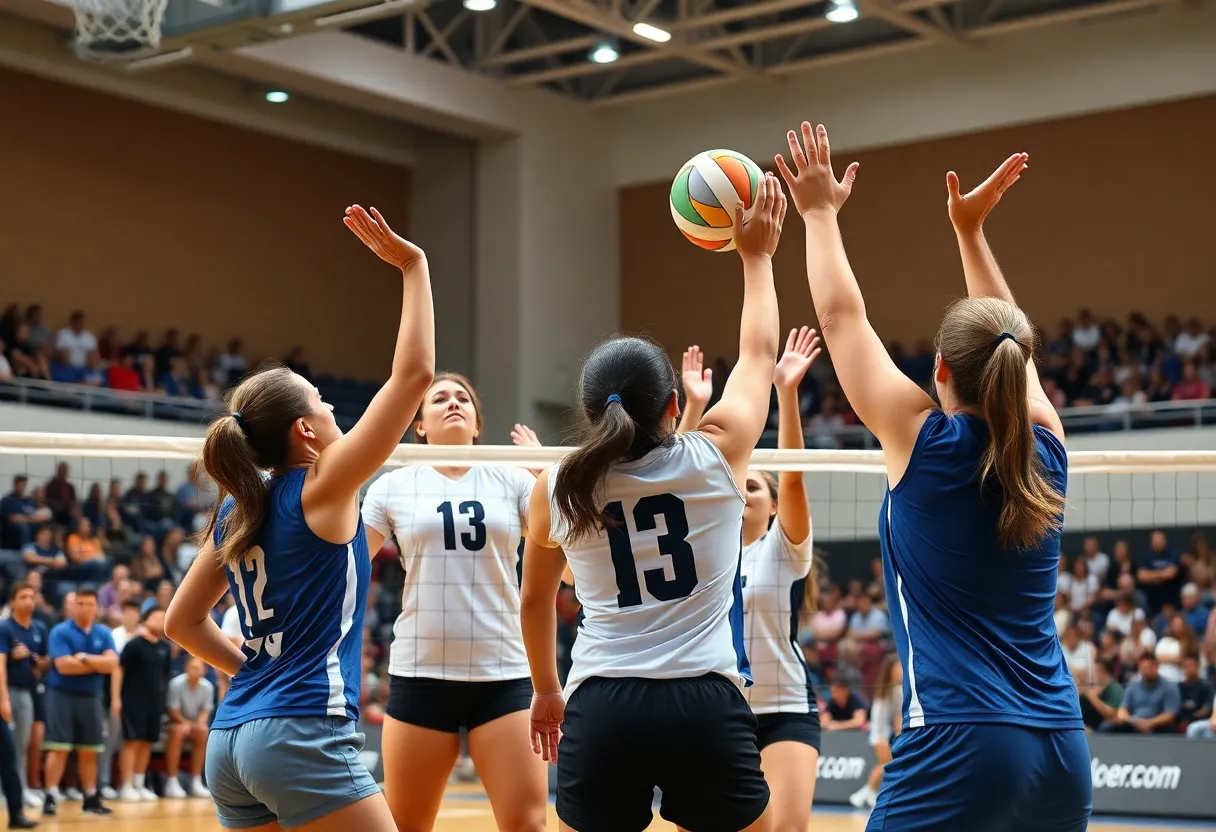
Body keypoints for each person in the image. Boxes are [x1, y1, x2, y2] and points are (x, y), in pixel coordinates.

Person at [775, 128, 1088, 829]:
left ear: (939, 370)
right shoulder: (1048, 446)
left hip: (960, 738)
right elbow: (1012, 342)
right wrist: (970, 235)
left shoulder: (923, 442)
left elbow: (839, 317)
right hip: (1062, 748)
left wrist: (819, 214)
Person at [521, 173, 787, 832]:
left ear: (588, 413)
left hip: (603, 703)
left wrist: (547, 691)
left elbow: (532, 603)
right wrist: (757, 258)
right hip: (704, 701)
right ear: (674, 405)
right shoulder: (715, 456)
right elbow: (757, 353)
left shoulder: (554, 487)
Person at [165, 204, 435, 832]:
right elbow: (415, 374)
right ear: (305, 431)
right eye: (321, 398)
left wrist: (256, 671)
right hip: (299, 730)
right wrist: (414, 266)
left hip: (231, 739)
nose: (334, 403)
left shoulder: (239, 506)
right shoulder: (324, 484)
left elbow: (181, 621)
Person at [360, 373, 547, 832]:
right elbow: (345, 566)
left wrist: (545, 479)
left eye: (463, 398)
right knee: (406, 825)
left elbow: (561, 544)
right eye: (439, 398)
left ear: (478, 422)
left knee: (528, 825)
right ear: (419, 424)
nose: (453, 403)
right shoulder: (393, 485)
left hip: (503, 675)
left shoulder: (515, 480)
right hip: (421, 673)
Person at [678, 326, 823, 832]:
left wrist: (786, 391)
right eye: (743, 482)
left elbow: (795, 474)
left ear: (774, 506)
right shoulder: (699, 548)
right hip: (714, 707)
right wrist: (694, 407)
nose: (747, 489)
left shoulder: (782, 550)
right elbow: (671, 483)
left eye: (758, 486)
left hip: (784, 708)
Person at [43, 588, 116, 816]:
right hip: (61, 696)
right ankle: (51, 796)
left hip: (91, 697)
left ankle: (90, 798)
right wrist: (97, 663)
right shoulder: (60, 631)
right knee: (59, 747)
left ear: (97, 607)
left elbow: (112, 664)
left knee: (89, 749)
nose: (85, 607)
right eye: (80, 603)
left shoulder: (103, 632)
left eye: (89, 603)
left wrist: (83, 658)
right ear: (73, 606)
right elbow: (63, 666)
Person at [0, 583, 49, 811]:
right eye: (23, 597)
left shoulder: (39, 628)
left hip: (28, 691)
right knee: (6, 747)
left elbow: (45, 662)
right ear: (13, 601)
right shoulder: (4, 627)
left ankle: (19, 790)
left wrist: (38, 663)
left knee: (23, 744)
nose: (29, 601)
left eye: (32, 596)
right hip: (8, 691)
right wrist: (3, 700)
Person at [115, 606, 171, 802]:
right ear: (145, 620)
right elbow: (119, 670)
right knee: (132, 741)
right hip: (133, 701)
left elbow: (164, 677)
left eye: (164, 618)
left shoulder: (164, 648)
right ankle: (126, 785)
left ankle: (139, 785)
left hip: (154, 703)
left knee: (147, 742)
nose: (160, 621)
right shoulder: (135, 645)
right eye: (156, 617)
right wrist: (116, 698)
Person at [852, 654, 903, 810]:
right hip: (881, 736)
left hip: (888, 735)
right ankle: (867, 793)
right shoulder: (887, 692)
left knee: (884, 766)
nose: (901, 670)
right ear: (890, 670)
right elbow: (885, 721)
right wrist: (881, 740)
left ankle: (865, 793)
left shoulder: (896, 689)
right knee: (885, 766)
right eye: (897, 667)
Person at [164, 656, 215, 799]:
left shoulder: (208, 687)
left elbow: (205, 711)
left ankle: (195, 781)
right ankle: (172, 781)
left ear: (204, 670)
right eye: (192, 667)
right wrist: (185, 723)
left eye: (198, 668)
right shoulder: (176, 683)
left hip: (193, 724)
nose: (195, 671)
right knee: (179, 731)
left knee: (203, 732)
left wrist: (198, 724)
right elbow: (172, 710)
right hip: (175, 722)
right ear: (186, 668)